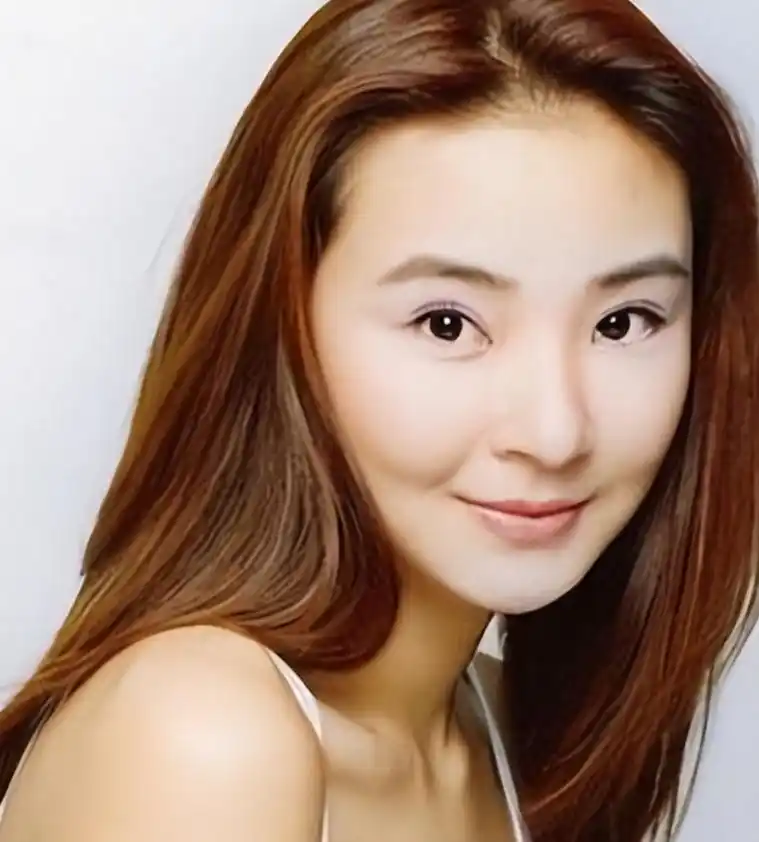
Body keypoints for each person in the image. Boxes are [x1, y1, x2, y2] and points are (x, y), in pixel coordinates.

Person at [0, 0, 757, 839]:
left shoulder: (501, 733)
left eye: (622, 322)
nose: (554, 433)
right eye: (447, 324)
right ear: (284, 328)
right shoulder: (202, 738)